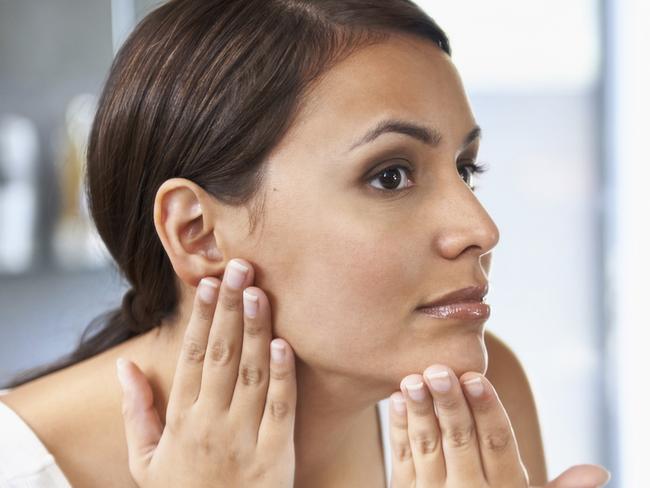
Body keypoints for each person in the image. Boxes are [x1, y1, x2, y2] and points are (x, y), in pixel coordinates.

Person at [0, 0, 610, 487]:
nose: (481, 229)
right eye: (389, 176)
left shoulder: (467, 397)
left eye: (465, 167)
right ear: (198, 233)